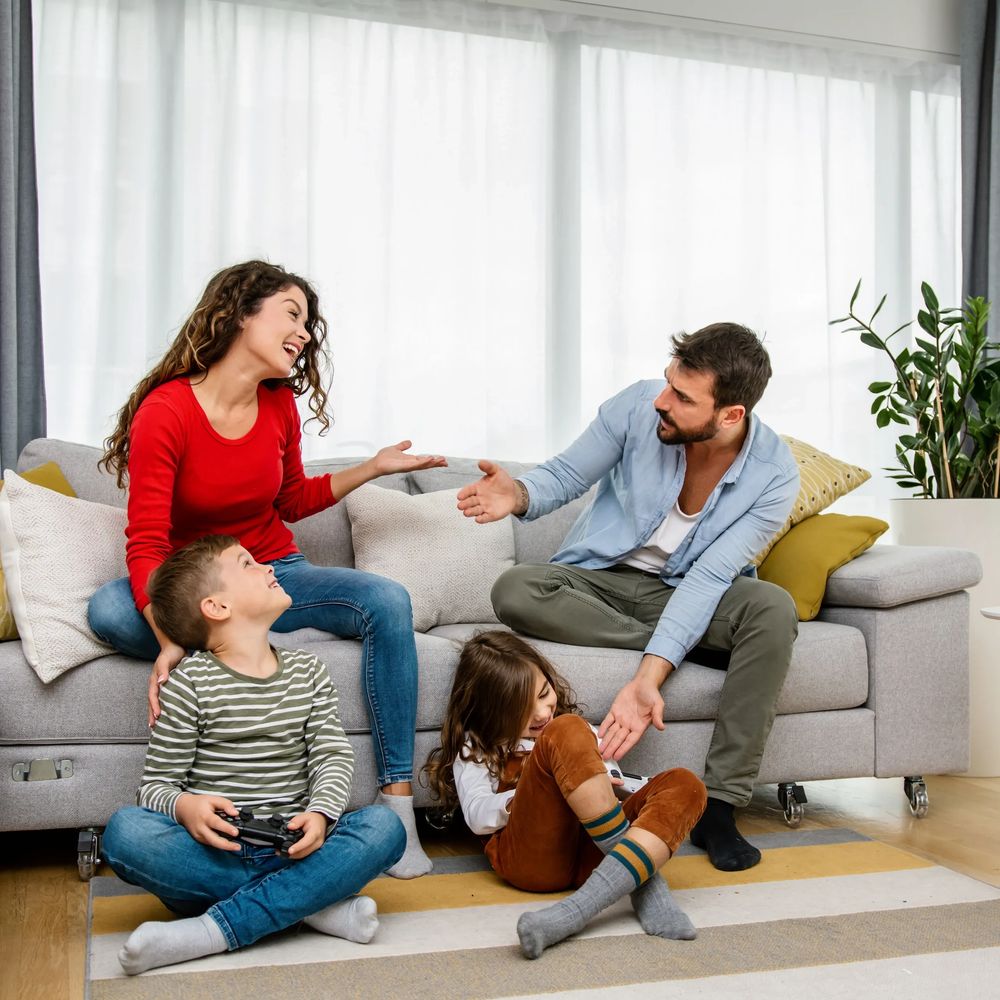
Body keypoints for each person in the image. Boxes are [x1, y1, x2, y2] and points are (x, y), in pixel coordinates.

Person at [88, 260, 441, 878]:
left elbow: (293, 500)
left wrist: (373, 468)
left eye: (308, 323)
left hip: (273, 570)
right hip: (197, 584)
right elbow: (146, 541)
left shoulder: (278, 407)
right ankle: (250, 637)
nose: (304, 333)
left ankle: (399, 807)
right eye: (291, 313)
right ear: (239, 312)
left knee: (387, 600)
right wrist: (170, 638)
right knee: (111, 610)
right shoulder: (166, 412)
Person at [456, 323, 799, 872]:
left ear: (730, 415)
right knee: (516, 589)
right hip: (601, 584)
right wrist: (518, 493)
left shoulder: (775, 476)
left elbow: (710, 580)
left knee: (772, 609)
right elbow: (567, 473)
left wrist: (647, 681)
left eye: (682, 398)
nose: (661, 401)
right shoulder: (638, 406)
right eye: (667, 383)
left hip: (690, 591)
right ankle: (682, 644)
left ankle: (724, 806)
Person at [100, 534, 406, 976]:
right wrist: (185, 805)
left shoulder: (308, 671)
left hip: (298, 846)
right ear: (217, 607)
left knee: (384, 826)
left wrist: (321, 814)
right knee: (125, 833)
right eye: (248, 563)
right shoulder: (188, 685)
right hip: (215, 854)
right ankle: (311, 905)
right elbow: (155, 787)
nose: (268, 567)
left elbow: (332, 756)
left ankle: (212, 931)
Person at [425, 631, 706, 959]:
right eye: (522, 711)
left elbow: (610, 789)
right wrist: (520, 797)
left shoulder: (577, 731)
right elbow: (476, 814)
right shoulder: (477, 746)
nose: (543, 714)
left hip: (594, 852)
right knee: (566, 729)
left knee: (687, 785)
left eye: (544, 694)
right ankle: (647, 889)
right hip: (534, 861)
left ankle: (576, 909)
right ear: (491, 713)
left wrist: (623, 790)